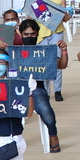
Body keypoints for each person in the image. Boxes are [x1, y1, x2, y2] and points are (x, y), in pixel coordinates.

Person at [19, 18, 67, 151]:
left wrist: (64, 51)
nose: (29, 37)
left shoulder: (44, 51)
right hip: (15, 89)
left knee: (46, 110)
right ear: (20, 34)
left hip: (36, 88)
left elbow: (61, 65)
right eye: (26, 35)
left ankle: (53, 133)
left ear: (37, 34)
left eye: (32, 34)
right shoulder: (13, 51)